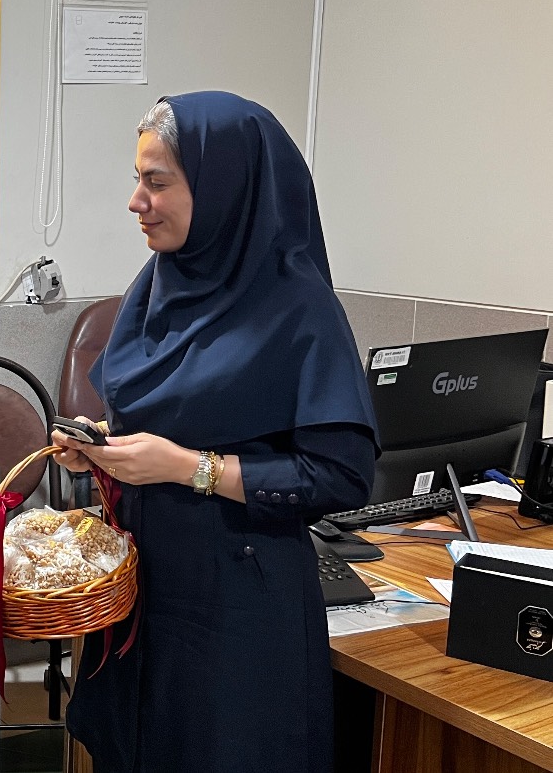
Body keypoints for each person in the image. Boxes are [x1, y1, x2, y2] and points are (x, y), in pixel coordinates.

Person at [50, 92, 379, 773]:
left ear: (224, 187)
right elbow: (175, 415)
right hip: (146, 591)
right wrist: (103, 445)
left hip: (236, 607)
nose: (136, 202)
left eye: (157, 181)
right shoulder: (158, 285)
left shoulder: (298, 307)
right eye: (138, 179)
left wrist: (186, 467)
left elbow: (340, 475)